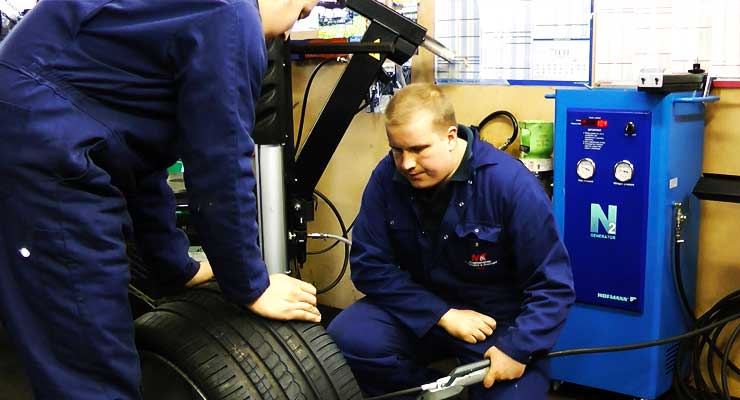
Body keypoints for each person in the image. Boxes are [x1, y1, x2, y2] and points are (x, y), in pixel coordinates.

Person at [0, 0, 319, 399]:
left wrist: (175, 266)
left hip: (37, 128)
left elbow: (138, 155)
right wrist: (252, 286)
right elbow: (219, 162)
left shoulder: (191, 13)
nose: (288, 33)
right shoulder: (231, 15)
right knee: (89, 362)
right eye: (302, 13)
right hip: (41, 152)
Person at [328, 83, 575, 399]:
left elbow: (552, 287)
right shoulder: (387, 177)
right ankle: (432, 392)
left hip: (494, 323)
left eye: (418, 150)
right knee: (348, 338)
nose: (406, 164)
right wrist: (442, 314)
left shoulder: (510, 185)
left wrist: (517, 349)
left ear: (450, 136)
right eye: (396, 149)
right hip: (420, 312)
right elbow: (368, 265)